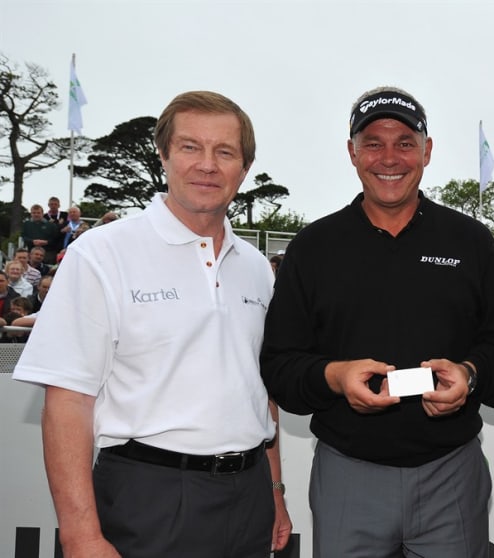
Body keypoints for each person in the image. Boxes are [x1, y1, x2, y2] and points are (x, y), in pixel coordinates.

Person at [13, 90, 292, 558]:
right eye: (190, 147)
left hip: (249, 497)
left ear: (244, 169)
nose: (207, 165)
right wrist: (80, 536)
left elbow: (262, 393)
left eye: (225, 152)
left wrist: (275, 490)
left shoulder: (256, 268)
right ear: (163, 154)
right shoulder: (101, 253)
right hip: (146, 497)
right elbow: (67, 403)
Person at [261, 85, 494, 558]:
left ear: (427, 151)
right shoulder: (314, 248)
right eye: (373, 143)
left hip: (451, 474)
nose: (389, 158)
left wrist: (471, 375)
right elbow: (280, 365)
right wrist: (335, 376)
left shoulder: (471, 242)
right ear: (352, 152)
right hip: (347, 474)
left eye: (404, 143)